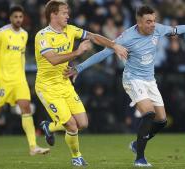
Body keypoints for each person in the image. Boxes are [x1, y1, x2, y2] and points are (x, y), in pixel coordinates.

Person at [65, 5, 185, 167]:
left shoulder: (158, 29)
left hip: (150, 80)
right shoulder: (127, 37)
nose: (152, 24)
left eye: (154, 21)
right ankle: (140, 159)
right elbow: (103, 53)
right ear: (139, 23)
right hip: (133, 79)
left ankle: (136, 145)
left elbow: (177, 30)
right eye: (148, 21)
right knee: (149, 114)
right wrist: (79, 68)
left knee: (161, 120)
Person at [35, 0, 127, 166]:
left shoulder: (70, 30)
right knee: (71, 125)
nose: (68, 15)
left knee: (83, 123)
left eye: (67, 12)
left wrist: (114, 46)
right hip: (47, 87)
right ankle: (76, 157)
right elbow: (53, 60)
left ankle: (50, 126)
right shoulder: (42, 36)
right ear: (53, 14)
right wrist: (78, 52)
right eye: (64, 12)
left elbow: (93, 36)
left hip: (64, 84)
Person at [0, 5, 50, 156]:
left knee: (26, 108)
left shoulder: (24, 34)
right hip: (2, 80)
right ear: (10, 18)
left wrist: (22, 75)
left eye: (20, 17)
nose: (18, 19)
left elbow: (21, 56)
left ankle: (33, 147)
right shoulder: (1, 33)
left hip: (18, 80)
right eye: (15, 17)